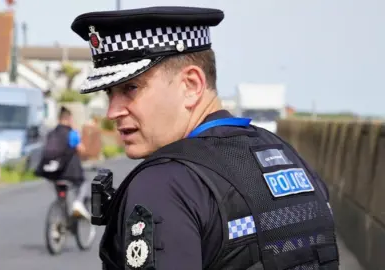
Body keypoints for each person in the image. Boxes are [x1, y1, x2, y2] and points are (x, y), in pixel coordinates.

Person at [71, 6, 339, 270]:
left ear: (191, 85)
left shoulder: (163, 184)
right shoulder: (290, 158)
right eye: (109, 94)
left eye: (130, 88)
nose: (113, 111)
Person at [34, 106, 91, 219]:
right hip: (70, 173)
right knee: (84, 182)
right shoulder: (71, 133)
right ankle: (78, 203)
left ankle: (59, 223)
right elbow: (82, 151)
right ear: (69, 118)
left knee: (61, 195)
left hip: (52, 172)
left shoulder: (51, 133)